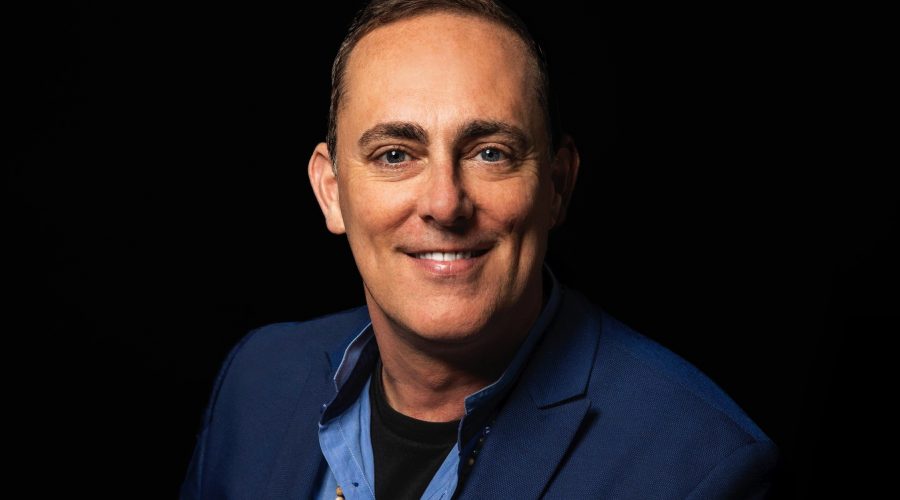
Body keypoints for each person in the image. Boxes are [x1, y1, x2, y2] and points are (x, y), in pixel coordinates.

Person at [180, 0, 778, 498]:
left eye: (490, 152)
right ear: (331, 193)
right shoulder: (256, 381)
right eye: (395, 154)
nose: (445, 204)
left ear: (557, 186)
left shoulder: (699, 469)